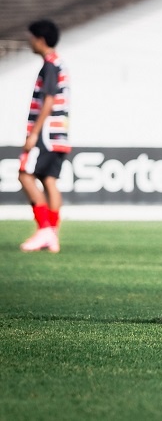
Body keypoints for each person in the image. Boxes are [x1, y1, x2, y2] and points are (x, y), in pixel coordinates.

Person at [18, 19, 70, 253]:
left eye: (31, 37)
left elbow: (48, 100)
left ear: (40, 40)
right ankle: (52, 236)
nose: (29, 41)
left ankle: (45, 230)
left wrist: (34, 133)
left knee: (24, 174)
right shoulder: (59, 64)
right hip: (59, 134)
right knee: (49, 180)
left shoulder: (49, 65)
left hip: (46, 134)